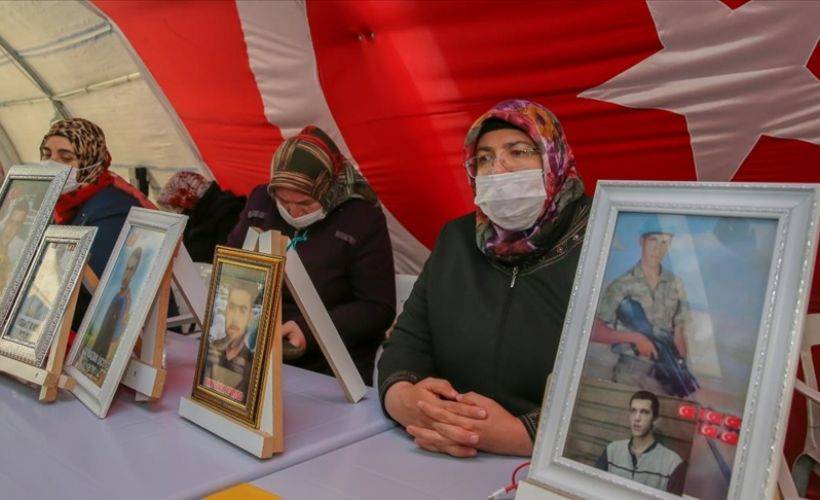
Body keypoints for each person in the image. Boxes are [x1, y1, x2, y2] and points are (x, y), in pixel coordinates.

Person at [377, 99, 590, 457]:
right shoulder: (456, 240)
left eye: (518, 152)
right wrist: (405, 399)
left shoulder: (604, 238)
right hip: (440, 453)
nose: (498, 170)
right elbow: (408, 341)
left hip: (554, 467)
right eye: (485, 158)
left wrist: (526, 435)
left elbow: (635, 384)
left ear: (553, 158)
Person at [227, 125, 395, 381]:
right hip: (254, 350)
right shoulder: (261, 201)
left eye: (306, 203)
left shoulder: (361, 219)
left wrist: (311, 329)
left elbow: (377, 307)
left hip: (331, 364)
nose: (294, 213)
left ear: (329, 188)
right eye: (284, 202)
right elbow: (234, 263)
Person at [39, 118, 156, 326]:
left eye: (65, 157)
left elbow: (93, 286)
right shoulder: (63, 204)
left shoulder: (114, 208)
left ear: (90, 160)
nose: (52, 163)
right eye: (47, 154)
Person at [590, 220, 692, 396]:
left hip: (665, 373)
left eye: (664, 242)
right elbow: (594, 331)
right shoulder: (621, 285)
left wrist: (680, 370)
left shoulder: (675, 284)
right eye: (653, 240)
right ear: (641, 241)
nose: (658, 248)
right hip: (630, 372)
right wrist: (635, 338)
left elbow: (679, 335)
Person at [595, 390, 686, 494]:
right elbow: (593, 488)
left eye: (644, 412)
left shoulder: (672, 463)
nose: (637, 418)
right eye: (633, 411)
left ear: (655, 419)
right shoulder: (612, 450)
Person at [157, 171, 245, 263]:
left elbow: (224, 258)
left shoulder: (229, 211)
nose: (178, 210)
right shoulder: (194, 213)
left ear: (187, 196)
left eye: (177, 205)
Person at [202, 277, 259, 403]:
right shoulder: (210, 350)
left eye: (242, 310)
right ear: (226, 311)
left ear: (250, 317)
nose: (234, 318)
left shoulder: (254, 365)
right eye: (232, 308)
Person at [90, 246, 141, 361]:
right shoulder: (117, 295)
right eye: (127, 268)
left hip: (109, 341)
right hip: (101, 340)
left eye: (131, 269)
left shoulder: (127, 299)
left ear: (134, 273)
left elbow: (121, 323)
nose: (127, 273)